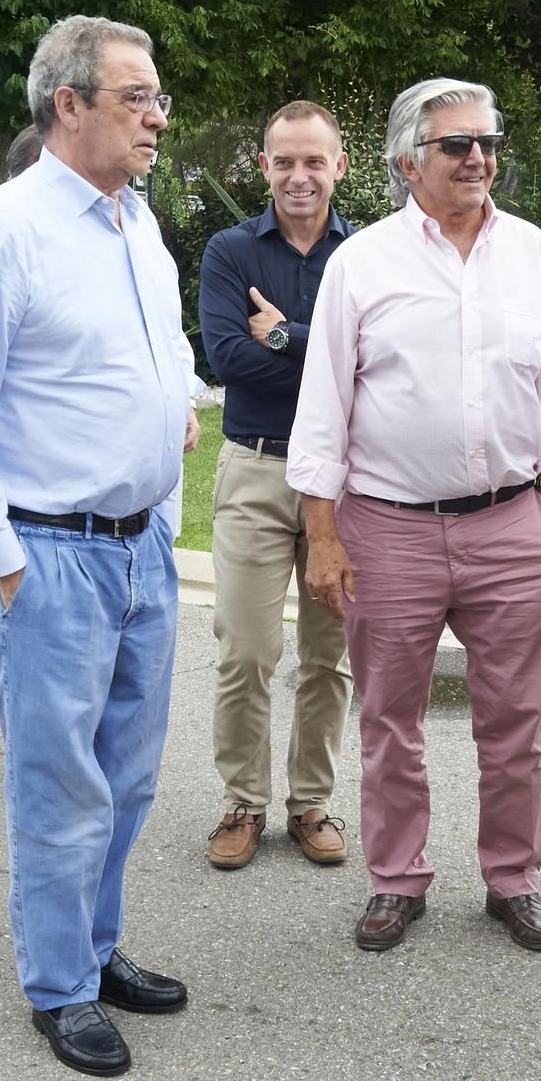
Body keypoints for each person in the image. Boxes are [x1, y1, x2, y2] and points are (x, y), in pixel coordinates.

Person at [0, 14, 200, 1078]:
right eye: (136, 97)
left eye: (157, 96)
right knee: (59, 785)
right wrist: (3, 560)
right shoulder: (5, 228)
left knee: (126, 779)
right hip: (49, 555)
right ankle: (58, 988)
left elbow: (163, 351)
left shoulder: (133, 222)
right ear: (67, 104)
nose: (156, 117)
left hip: (141, 550)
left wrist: (173, 424)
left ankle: (93, 945)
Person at [287, 77, 541, 955]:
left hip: (512, 528)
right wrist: (324, 535)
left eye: (488, 142)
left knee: (515, 722)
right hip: (388, 527)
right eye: (457, 144)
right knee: (389, 719)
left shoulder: (533, 254)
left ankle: (515, 880)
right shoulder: (363, 262)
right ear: (407, 161)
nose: (478, 158)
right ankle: (396, 879)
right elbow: (323, 412)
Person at [197, 101, 356, 870]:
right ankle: (242, 803)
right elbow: (229, 359)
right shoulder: (229, 252)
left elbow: (375, 362)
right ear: (263, 167)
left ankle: (312, 803)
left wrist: (288, 334)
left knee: (331, 656)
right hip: (256, 466)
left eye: (313, 161)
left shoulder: (365, 256)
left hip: (344, 481)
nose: (299, 176)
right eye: (284, 161)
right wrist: (325, 344)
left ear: (339, 166)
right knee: (246, 651)